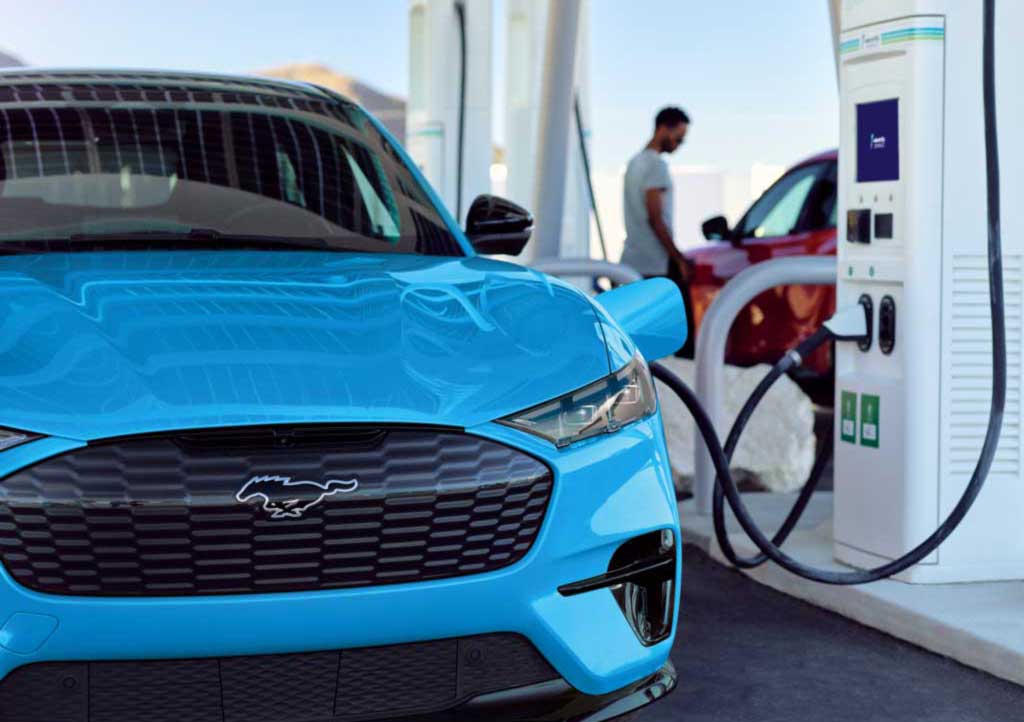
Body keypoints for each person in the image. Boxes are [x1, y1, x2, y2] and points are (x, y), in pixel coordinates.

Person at [620, 106, 695, 356]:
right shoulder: (656, 165)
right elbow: (656, 218)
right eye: (679, 137)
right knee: (680, 343)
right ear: (664, 128)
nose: (680, 144)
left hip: (633, 259)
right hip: (656, 263)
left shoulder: (633, 163)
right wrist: (678, 257)